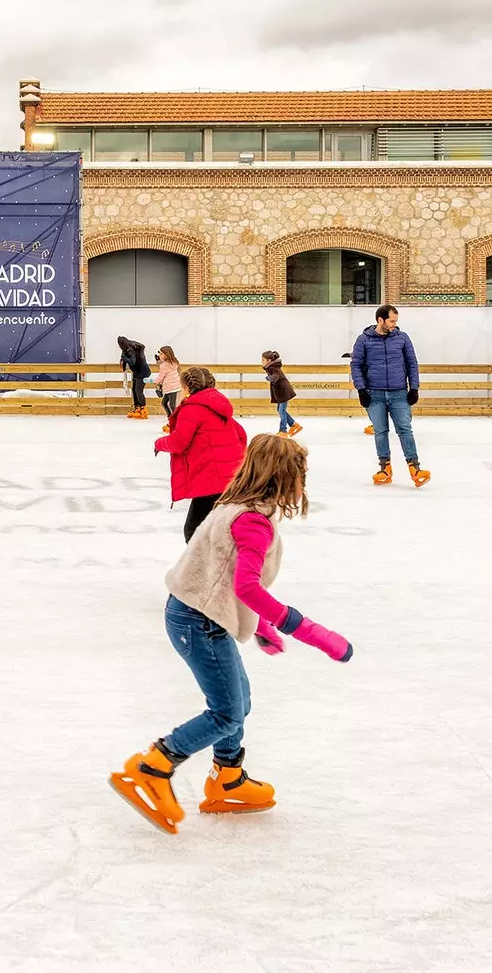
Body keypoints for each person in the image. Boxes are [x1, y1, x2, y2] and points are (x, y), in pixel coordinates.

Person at [109, 433, 353, 835]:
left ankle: (228, 779)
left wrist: (257, 625)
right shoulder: (253, 522)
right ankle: (152, 767)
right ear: (284, 476)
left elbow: (221, 575)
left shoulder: (236, 505)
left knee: (240, 702)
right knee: (226, 712)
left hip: (199, 615)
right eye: (300, 475)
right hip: (198, 621)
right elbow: (247, 587)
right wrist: (308, 630)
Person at [155, 366, 248, 542]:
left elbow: (178, 442)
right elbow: (241, 435)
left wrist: (159, 444)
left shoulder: (192, 409)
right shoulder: (220, 406)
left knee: (193, 530)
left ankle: (205, 567)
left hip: (211, 479)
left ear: (188, 388)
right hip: (232, 477)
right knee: (217, 529)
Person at [351, 305, 430, 487]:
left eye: (396, 321)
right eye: (392, 321)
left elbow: (412, 363)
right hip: (374, 393)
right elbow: (355, 366)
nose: (395, 324)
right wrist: (361, 390)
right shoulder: (363, 340)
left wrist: (414, 388)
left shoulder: (402, 338)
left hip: (399, 393)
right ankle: (384, 468)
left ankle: (415, 468)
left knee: (405, 430)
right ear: (380, 320)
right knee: (380, 432)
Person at [263, 350, 301, 437]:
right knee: (280, 410)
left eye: (263, 360)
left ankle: (283, 431)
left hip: (284, 392)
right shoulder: (271, 367)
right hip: (282, 392)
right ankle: (294, 425)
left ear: (268, 361)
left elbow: (276, 376)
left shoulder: (273, 368)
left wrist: (270, 378)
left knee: (281, 411)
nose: (261, 362)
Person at [117, 336, 151, 419]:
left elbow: (132, 361)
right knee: (134, 390)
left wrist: (123, 357)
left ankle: (143, 410)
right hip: (138, 372)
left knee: (138, 391)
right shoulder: (130, 346)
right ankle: (137, 408)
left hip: (143, 372)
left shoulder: (130, 350)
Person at [152, 346, 181, 433]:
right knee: (165, 403)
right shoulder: (173, 362)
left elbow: (161, 376)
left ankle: (174, 422)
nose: (159, 355)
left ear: (166, 355)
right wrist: (159, 361)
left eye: (161, 353)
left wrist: (155, 382)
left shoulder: (164, 365)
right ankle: (171, 419)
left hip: (171, 387)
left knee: (171, 405)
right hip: (174, 386)